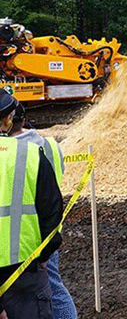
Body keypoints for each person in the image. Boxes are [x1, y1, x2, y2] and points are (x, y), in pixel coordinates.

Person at [9, 104, 77, 319]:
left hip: (21, 234)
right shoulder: (50, 144)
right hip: (49, 229)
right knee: (53, 287)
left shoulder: (13, 151)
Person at [0, 90, 62, 319]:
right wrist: (43, 255)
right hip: (25, 265)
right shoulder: (30, 154)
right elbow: (53, 210)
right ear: (8, 119)